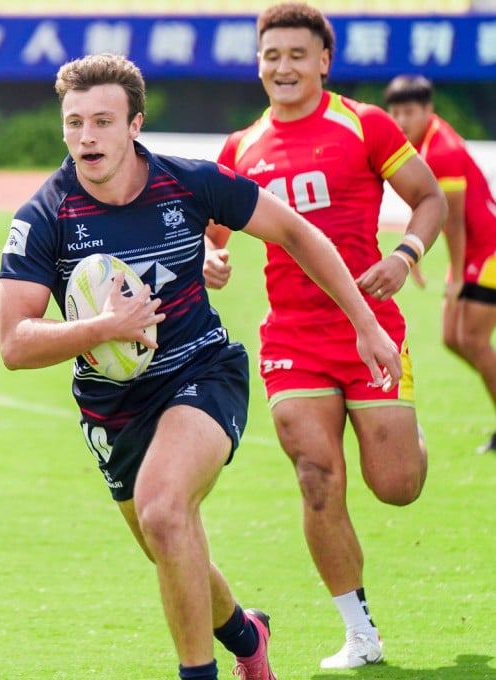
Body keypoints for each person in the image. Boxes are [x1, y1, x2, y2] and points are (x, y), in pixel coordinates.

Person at [0, 52, 404, 680]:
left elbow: (297, 232)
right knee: (168, 541)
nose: (85, 136)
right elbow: (15, 343)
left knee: (164, 510)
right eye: (74, 122)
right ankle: (247, 634)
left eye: (102, 121)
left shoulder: (190, 182)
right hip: (113, 410)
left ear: (135, 125)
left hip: (201, 372)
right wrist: (105, 328)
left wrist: (366, 323)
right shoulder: (44, 216)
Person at [206, 3, 446, 670]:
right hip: (292, 339)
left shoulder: (364, 124)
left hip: (369, 329)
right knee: (316, 476)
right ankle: (360, 634)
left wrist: (405, 256)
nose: (282, 66)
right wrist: (211, 258)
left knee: (396, 484)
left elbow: (430, 199)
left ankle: (407, 439)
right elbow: (214, 234)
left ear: (322, 62)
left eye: (296, 55)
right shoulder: (239, 149)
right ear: (259, 63)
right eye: (270, 55)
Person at [384, 74, 496, 455]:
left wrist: (460, 277)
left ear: (428, 110)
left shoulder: (442, 150)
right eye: (395, 111)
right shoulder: (424, 142)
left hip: (488, 253)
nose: (400, 120)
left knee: (474, 340)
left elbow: (457, 222)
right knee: (453, 338)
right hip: (473, 254)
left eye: (409, 111)